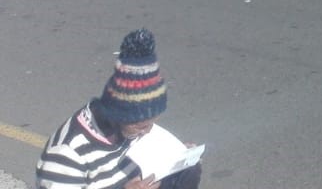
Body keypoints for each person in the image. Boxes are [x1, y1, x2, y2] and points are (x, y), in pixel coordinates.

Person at [37, 29, 201, 189]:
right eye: (142, 126)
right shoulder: (66, 155)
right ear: (118, 114)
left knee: (189, 170)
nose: (148, 132)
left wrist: (177, 158)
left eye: (152, 122)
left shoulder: (131, 129)